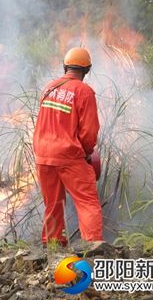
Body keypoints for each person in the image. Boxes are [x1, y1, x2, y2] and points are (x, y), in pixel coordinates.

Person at [32, 47, 103, 247]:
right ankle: (92, 247)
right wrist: (87, 154)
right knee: (87, 202)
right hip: (68, 155)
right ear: (87, 69)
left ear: (65, 66)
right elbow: (89, 132)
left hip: (43, 154)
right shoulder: (84, 91)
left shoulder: (49, 87)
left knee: (53, 204)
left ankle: (53, 245)